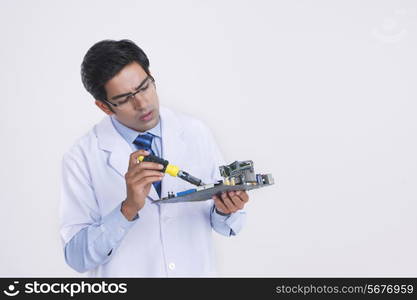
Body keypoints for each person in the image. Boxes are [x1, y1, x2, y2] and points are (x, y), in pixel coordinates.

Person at [60, 39, 249, 277]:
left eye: (144, 87)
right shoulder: (81, 158)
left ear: (151, 76)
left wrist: (226, 210)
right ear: (105, 107)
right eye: (125, 99)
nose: (142, 103)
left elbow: (227, 225)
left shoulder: (195, 132)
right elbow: (77, 258)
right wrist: (128, 208)